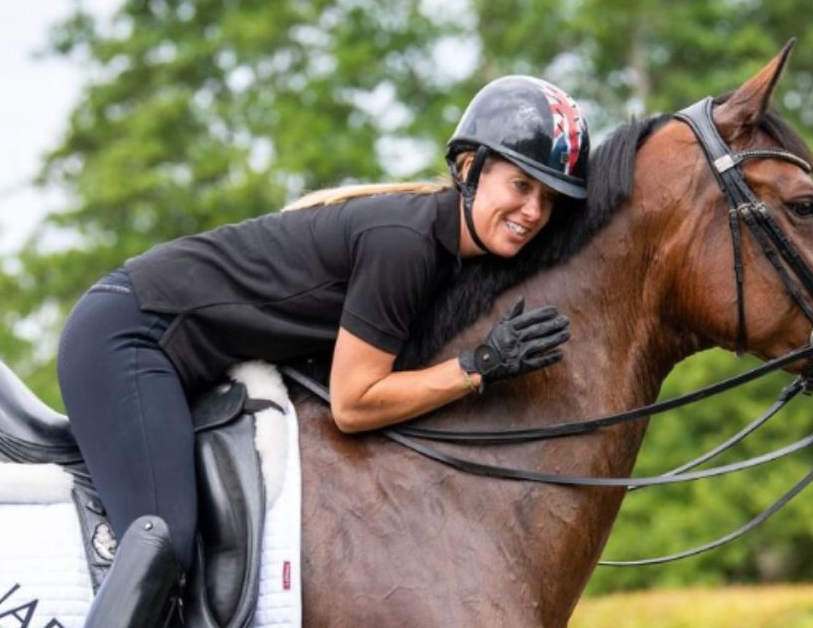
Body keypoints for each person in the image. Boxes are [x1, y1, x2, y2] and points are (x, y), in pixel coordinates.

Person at [56, 75, 591, 627]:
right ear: (467, 168)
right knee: (164, 548)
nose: (533, 212)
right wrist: (478, 368)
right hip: (128, 337)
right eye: (522, 186)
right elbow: (354, 404)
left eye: (548, 201)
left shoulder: (439, 251)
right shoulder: (405, 245)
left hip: (165, 344)